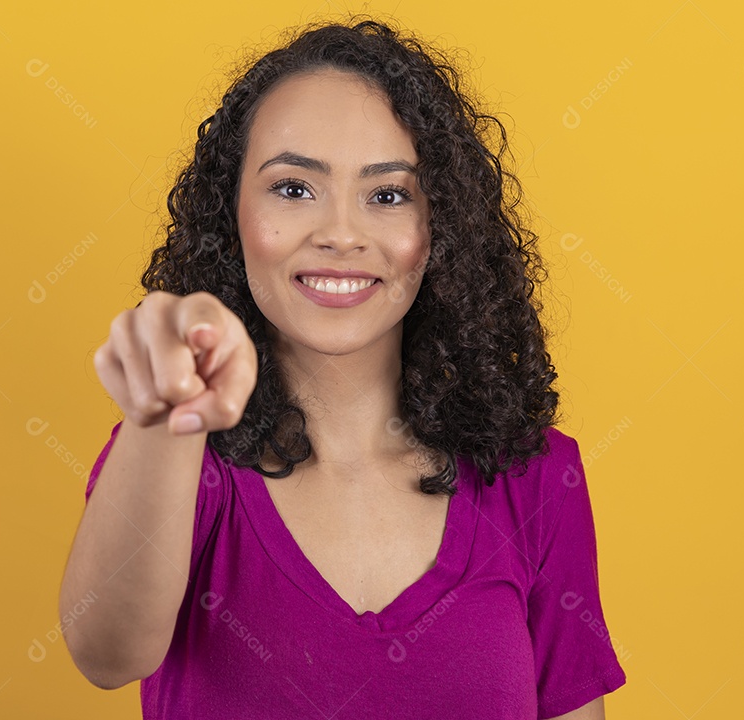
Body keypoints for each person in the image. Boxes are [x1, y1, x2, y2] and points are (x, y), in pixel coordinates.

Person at [59, 16, 627, 719]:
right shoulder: (176, 460)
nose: (340, 234)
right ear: (232, 214)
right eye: (294, 188)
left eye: (388, 195)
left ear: (440, 228)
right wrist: (166, 416)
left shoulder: (533, 478)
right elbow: (107, 655)